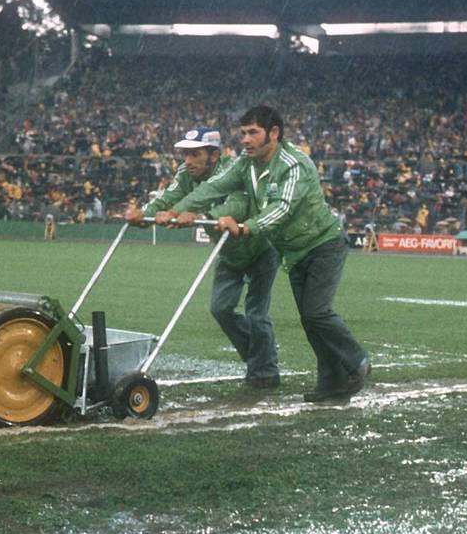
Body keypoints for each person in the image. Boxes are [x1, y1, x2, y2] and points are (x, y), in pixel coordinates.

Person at [158, 106, 370, 403]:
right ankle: (332, 381)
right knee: (309, 319)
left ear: (274, 133)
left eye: (253, 133)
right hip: (293, 251)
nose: (245, 139)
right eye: (243, 133)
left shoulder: (294, 164)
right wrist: (177, 210)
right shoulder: (246, 164)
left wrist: (247, 227)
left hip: (323, 243)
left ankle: (357, 360)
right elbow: (215, 186)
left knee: (317, 312)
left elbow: (282, 208)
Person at [126, 126, 282, 389]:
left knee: (257, 313)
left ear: (214, 154)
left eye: (195, 154)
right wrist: (144, 214)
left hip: (260, 247)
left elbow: (238, 204)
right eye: (185, 154)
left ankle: (265, 371)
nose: (187, 161)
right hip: (229, 252)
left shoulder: (234, 169)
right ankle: (259, 357)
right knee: (220, 308)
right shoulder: (185, 175)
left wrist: (202, 216)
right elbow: (167, 198)